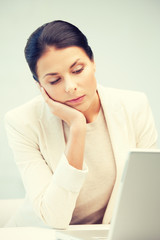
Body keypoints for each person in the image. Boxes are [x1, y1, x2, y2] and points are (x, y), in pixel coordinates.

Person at [4, 20, 158, 229]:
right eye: (54, 81)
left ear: (93, 62)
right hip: (39, 233)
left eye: (77, 70)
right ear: (40, 85)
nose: (70, 87)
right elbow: (55, 218)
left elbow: (149, 193)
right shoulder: (22, 122)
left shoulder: (134, 106)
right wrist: (78, 127)